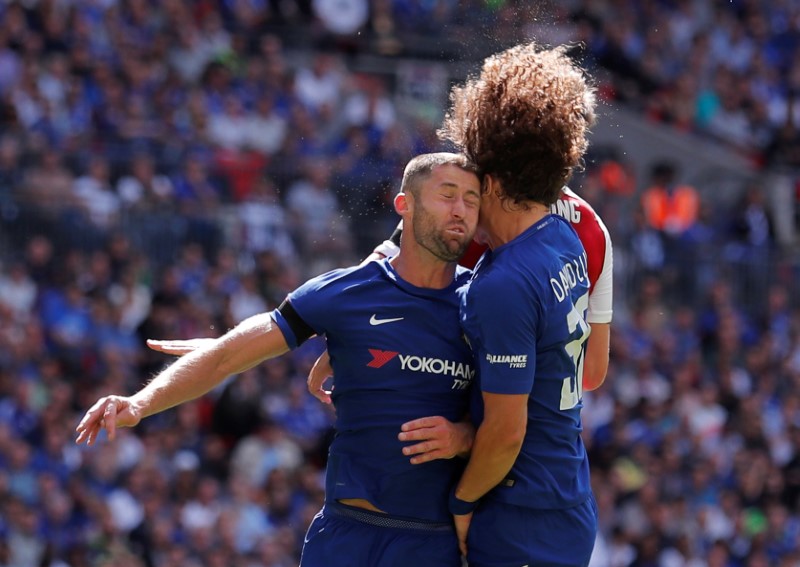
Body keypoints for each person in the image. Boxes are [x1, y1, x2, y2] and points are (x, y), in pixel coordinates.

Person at [75, 152, 482, 567]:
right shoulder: (344, 292)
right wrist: (139, 404)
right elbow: (223, 360)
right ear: (405, 206)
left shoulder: (485, 306)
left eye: (471, 199)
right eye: (447, 195)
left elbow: (520, 418)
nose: (460, 211)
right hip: (345, 535)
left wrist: (464, 437)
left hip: (431, 543)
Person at [435, 41, 599, 566]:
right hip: (565, 502)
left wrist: (461, 502)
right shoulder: (562, 238)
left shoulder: (505, 282)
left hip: (522, 521)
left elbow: (506, 433)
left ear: (495, 179)